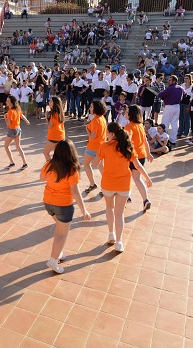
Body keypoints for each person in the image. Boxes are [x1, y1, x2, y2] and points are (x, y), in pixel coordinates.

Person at [92, 122, 152, 252]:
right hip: (124, 185)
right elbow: (137, 165)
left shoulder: (104, 146)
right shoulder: (127, 146)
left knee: (109, 208)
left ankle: (111, 234)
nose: (106, 135)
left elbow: (95, 163)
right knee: (120, 213)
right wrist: (147, 178)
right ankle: (119, 242)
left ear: (112, 134)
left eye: (107, 132)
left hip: (108, 183)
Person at [40, 140, 91, 274]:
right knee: (62, 234)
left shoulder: (49, 164)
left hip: (48, 203)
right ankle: (53, 260)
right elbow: (75, 191)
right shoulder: (72, 169)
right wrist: (84, 209)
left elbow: (41, 178)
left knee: (59, 229)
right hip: (63, 205)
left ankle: (59, 253)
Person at [124, 105, 154, 211]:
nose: (125, 113)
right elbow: (145, 141)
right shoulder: (141, 125)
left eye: (127, 112)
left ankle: (126, 197)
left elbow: (126, 142)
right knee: (137, 179)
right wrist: (149, 153)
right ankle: (146, 200)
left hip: (131, 156)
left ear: (131, 114)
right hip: (141, 156)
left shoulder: (128, 127)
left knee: (125, 176)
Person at [83, 100, 107, 194]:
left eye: (92, 107)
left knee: (86, 164)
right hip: (101, 146)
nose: (90, 108)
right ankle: (105, 187)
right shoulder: (102, 118)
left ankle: (92, 184)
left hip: (93, 147)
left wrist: (87, 129)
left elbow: (92, 135)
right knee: (101, 167)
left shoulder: (95, 120)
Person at [3, 95, 30, 170]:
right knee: (18, 147)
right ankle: (25, 163)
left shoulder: (10, 111)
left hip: (12, 130)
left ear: (11, 102)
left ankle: (12, 162)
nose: (6, 102)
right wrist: (26, 121)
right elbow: (22, 116)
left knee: (6, 146)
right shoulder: (18, 109)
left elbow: (8, 123)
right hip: (18, 129)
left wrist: (5, 117)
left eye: (8, 101)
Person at [157, 75, 185, 146]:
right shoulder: (180, 88)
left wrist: (164, 96)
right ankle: (173, 139)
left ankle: (163, 138)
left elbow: (160, 94)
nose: (168, 81)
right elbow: (185, 95)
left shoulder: (170, 88)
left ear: (174, 81)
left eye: (170, 80)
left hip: (169, 106)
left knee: (165, 122)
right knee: (174, 123)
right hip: (177, 106)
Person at [44, 96, 66, 161]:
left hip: (54, 137)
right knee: (57, 155)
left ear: (55, 103)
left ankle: (51, 168)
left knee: (46, 153)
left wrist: (46, 118)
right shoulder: (59, 112)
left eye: (51, 101)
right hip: (61, 136)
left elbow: (50, 126)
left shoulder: (53, 114)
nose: (49, 102)